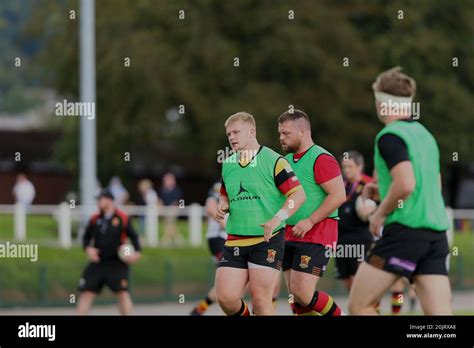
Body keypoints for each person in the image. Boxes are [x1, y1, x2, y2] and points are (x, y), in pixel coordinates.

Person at [348, 67, 452, 315]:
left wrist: (380, 213)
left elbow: (406, 184)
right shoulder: (425, 135)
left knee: (359, 306)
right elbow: (431, 187)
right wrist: (384, 192)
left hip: (405, 232)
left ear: (382, 104)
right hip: (436, 236)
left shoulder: (389, 136)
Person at [215, 112, 306, 316]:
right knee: (226, 298)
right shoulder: (228, 164)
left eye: (236, 132)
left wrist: (277, 218)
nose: (232, 137)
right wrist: (223, 205)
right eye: (229, 134)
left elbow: (298, 195)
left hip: (267, 241)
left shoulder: (274, 161)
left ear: (252, 131)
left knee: (261, 302)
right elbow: (224, 194)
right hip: (235, 240)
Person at [278, 110, 346, 316]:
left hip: (317, 232)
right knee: (295, 298)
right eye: (279, 133)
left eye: (286, 133)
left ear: (302, 132)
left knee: (302, 292)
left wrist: (310, 220)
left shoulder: (321, 158)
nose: (281, 138)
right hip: (289, 232)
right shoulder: (285, 160)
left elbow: (338, 195)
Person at [77, 189, 142, 315]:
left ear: (109, 201)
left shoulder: (122, 218)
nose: (98, 202)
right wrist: (88, 249)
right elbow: (86, 238)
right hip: (98, 262)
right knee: (86, 293)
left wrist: (135, 254)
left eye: (100, 199)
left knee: (123, 294)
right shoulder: (95, 219)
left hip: (117, 263)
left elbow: (134, 238)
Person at [336, 151, 374, 291]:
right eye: (344, 166)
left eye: (350, 166)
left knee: (362, 279)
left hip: (362, 238)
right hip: (341, 238)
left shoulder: (369, 185)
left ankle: (373, 309)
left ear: (359, 167)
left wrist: (372, 210)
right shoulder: (340, 185)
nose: (346, 170)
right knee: (347, 281)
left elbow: (385, 205)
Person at [190, 181, 227, 315]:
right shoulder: (221, 186)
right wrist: (223, 223)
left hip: (225, 239)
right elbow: (210, 207)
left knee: (229, 281)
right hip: (219, 239)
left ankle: (199, 309)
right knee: (229, 278)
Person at [159, 172, 184, 245]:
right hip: (165, 209)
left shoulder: (177, 190)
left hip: (174, 209)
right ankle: (178, 238)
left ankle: (166, 238)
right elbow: (160, 200)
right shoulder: (162, 190)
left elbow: (178, 202)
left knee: (169, 222)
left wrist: (171, 208)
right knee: (170, 224)